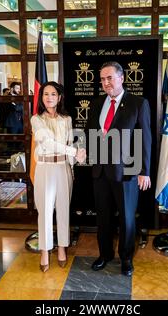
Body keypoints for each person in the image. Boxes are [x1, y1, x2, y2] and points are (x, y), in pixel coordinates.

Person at [87, 61, 151, 277]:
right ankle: (105, 255)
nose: (106, 83)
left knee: (126, 217)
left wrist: (144, 170)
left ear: (122, 78)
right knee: (103, 217)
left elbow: (145, 140)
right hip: (100, 171)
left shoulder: (138, 103)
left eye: (110, 78)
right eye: (103, 79)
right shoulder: (96, 104)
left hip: (127, 172)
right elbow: (90, 135)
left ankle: (126, 259)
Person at [31, 81, 86, 273]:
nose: (49, 97)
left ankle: (62, 247)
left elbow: (70, 142)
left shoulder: (67, 119)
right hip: (46, 169)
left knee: (63, 209)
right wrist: (73, 151)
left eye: (53, 94)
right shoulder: (36, 119)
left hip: (63, 168)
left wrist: (73, 164)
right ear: (41, 97)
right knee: (45, 211)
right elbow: (47, 143)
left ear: (59, 97)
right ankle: (45, 251)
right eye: (45, 94)